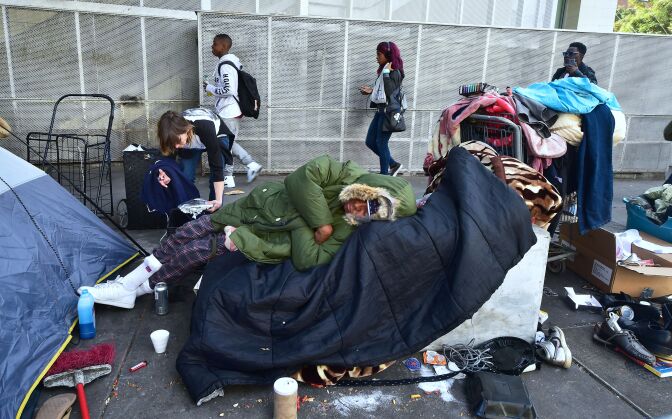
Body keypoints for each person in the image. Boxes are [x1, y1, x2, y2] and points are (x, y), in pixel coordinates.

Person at [79, 155, 417, 309]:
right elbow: (302, 178)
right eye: (365, 201)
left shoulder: (346, 229)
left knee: (191, 253)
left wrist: (307, 221)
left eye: (369, 214)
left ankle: (139, 290)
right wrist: (319, 223)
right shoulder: (345, 172)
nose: (358, 211)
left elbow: (307, 258)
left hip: (260, 239)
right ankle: (126, 285)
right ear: (367, 188)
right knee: (182, 235)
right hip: (253, 208)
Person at [203, 33, 263, 186]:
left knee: (225, 144)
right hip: (227, 110)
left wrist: (211, 88)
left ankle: (240, 170)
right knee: (225, 143)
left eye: (215, 44)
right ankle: (233, 174)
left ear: (223, 47)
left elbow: (229, 90)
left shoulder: (225, 65)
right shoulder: (226, 63)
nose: (212, 47)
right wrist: (214, 88)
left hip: (229, 111)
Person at [157, 108, 236, 211]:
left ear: (186, 130)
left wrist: (218, 200)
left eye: (178, 141)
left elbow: (216, 166)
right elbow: (167, 160)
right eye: (172, 143)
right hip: (191, 140)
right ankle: (188, 210)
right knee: (186, 175)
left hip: (217, 136)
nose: (176, 146)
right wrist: (163, 173)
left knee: (215, 177)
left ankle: (212, 213)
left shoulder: (204, 127)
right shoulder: (172, 133)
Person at [359, 41, 404, 176]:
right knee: (370, 141)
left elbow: (390, 91)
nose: (376, 57)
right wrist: (371, 91)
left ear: (388, 54)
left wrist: (385, 74)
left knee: (381, 143)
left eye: (379, 54)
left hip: (388, 113)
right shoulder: (384, 70)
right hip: (381, 111)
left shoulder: (394, 72)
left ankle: (384, 175)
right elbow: (383, 92)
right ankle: (393, 164)